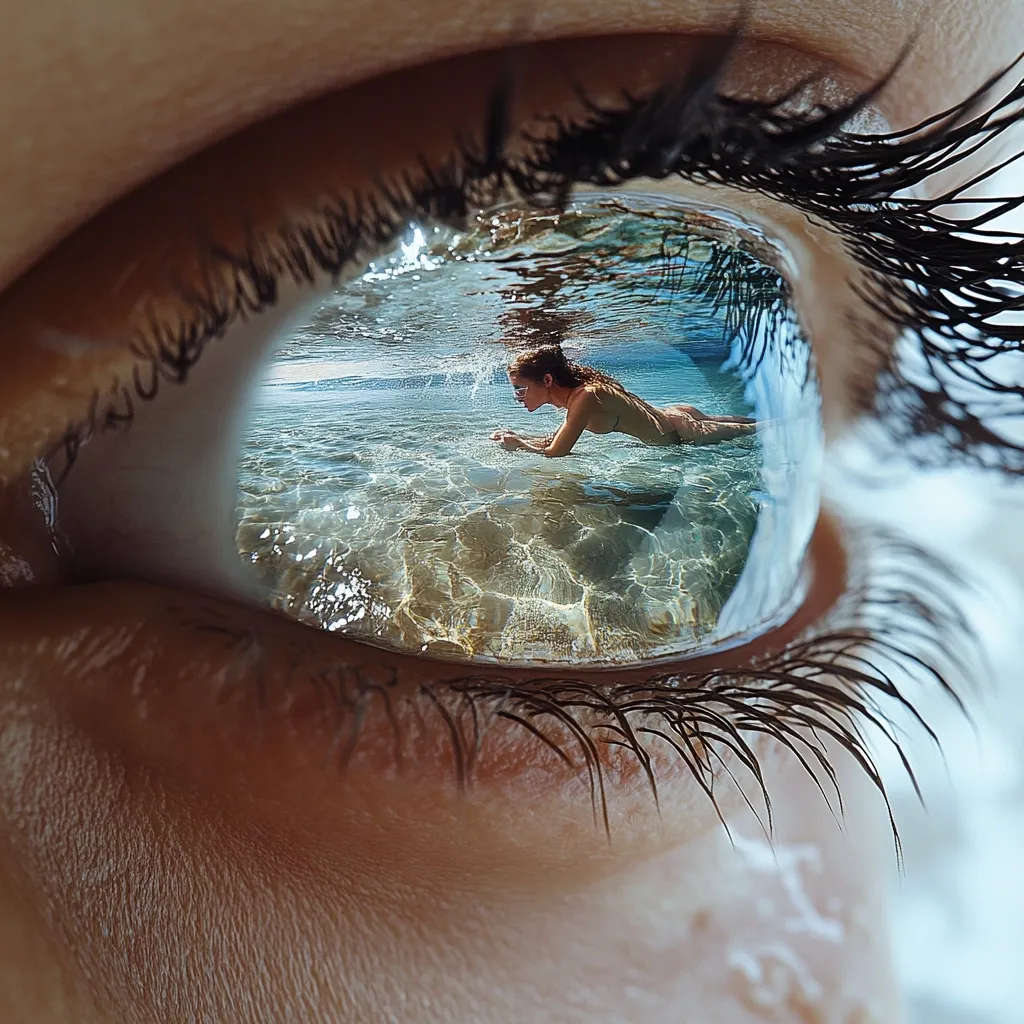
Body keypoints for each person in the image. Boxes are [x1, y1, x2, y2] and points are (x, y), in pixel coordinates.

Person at [0, 3, 1020, 1023]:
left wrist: (525, 461)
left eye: (520, 387)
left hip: (662, 435)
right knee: (708, 435)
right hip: (659, 426)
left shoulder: (577, 403)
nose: (519, 398)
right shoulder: (575, 398)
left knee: (708, 439)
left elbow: (570, 445)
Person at [491, 343, 756, 456]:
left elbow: (556, 452)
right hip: (675, 417)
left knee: (764, 429)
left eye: (520, 388)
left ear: (547, 380)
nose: (518, 397)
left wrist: (520, 446)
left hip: (684, 432)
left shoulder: (585, 397)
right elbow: (556, 439)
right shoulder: (580, 396)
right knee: (759, 425)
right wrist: (518, 436)